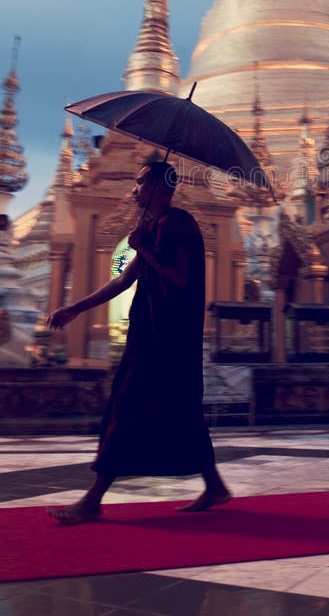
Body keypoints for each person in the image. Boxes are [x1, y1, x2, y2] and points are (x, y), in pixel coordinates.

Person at [47, 160, 231, 524]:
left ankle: (92, 499)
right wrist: (76, 308)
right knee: (181, 408)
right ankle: (214, 485)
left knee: (127, 405)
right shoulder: (151, 226)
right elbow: (123, 281)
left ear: (159, 187)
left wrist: (144, 247)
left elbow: (179, 278)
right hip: (149, 331)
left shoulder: (179, 223)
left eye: (140, 181)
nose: (134, 189)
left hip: (170, 337)